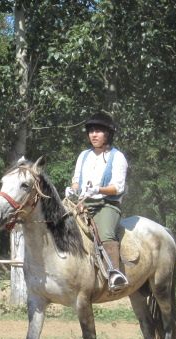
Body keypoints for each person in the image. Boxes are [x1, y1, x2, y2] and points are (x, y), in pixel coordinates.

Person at [65, 111, 129, 292]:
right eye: (91, 131)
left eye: (98, 131)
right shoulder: (83, 156)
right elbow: (76, 180)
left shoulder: (118, 157)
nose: (93, 134)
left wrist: (98, 189)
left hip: (107, 205)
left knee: (106, 233)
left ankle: (114, 274)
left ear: (107, 134)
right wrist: (73, 188)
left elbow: (118, 187)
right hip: (83, 203)